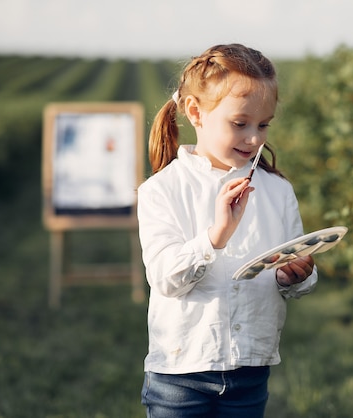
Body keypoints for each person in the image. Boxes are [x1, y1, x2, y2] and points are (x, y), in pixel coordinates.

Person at [137, 43, 318, 418]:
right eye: (240, 124)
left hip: (250, 370)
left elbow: (295, 269)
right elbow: (165, 279)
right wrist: (215, 236)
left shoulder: (277, 190)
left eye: (263, 125)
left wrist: (297, 275)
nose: (254, 138)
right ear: (195, 113)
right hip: (181, 375)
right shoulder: (163, 190)